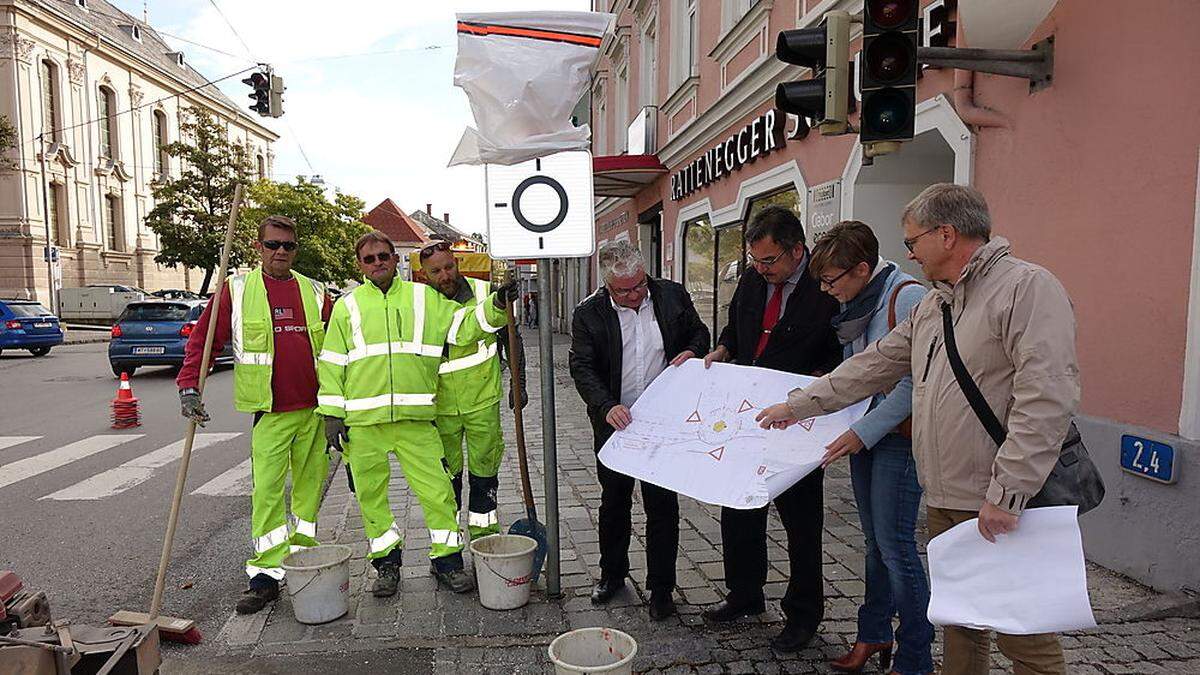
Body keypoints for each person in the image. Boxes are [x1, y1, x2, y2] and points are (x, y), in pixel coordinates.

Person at [757, 184, 1079, 675]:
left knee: (1023, 634)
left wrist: (1008, 493)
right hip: (948, 495)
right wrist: (798, 405)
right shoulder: (936, 305)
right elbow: (873, 365)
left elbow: (1046, 400)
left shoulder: (1026, 288)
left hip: (997, 499)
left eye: (913, 240)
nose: (908, 251)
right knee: (962, 624)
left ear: (946, 235)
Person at [317, 231, 517, 597]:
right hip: (363, 425)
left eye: (383, 255)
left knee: (439, 494)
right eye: (369, 258)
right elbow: (332, 362)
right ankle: (387, 566)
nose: (377, 263)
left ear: (396, 259)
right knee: (371, 499)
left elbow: (464, 327)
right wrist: (332, 414)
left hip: (416, 419)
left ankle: (447, 563)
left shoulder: (424, 298)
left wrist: (498, 305)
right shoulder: (348, 307)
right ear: (360, 265)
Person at [700, 205, 842, 652]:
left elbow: (840, 353)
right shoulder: (752, 279)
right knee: (739, 508)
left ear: (797, 250)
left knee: (802, 524)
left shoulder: (825, 287)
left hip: (799, 420)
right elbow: (737, 326)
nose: (761, 270)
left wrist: (818, 383)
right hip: (747, 414)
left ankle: (802, 615)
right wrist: (723, 347)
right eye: (755, 261)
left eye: (770, 261)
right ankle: (744, 593)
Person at [177, 214, 333, 615]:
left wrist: (341, 409)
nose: (280, 252)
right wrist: (190, 384)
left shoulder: (315, 292)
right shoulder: (238, 289)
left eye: (288, 245)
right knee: (266, 493)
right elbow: (204, 339)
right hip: (272, 413)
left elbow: (340, 350)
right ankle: (265, 575)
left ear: (296, 249)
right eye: (272, 245)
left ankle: (302, 561)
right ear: (257, 247)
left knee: (309, 494)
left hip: (315, 411)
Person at [806, 221, 933, 675]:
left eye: (831, 280)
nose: (825, 290)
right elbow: (858, 372)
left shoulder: (908, 297)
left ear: (862, 268)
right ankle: (874, 632)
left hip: (896, 441)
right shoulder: (858, 300)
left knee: (897, 548)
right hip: (866, 437)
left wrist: (862, 432)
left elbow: (909, 383)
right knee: (875, 545)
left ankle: (916, 656)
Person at [568, 240, 709, 620]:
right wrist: (605, 405)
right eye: (624, 290)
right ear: (607, 286)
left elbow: (700, 334)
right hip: (616, 422)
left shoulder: (671, 296)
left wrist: (693, 352)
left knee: (662, 506)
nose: (635, 294)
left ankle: (661, 588)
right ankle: (612, 574)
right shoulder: (589, 313)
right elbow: (582, 367)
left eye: (639, 285)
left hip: (663, 421)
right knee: (614, 502)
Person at [418, 240, 527, 539]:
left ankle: (485, 537)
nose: (445, 275)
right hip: (440, 407)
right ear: (425, 274)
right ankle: (448, 542)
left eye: (449, 267)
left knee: (484, 474)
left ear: (457, 264)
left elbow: (511, 339)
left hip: (482, 402)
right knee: (446, 478)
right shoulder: (421, 303)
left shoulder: (485, 294)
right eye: (436, 271)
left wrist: (520, 383)